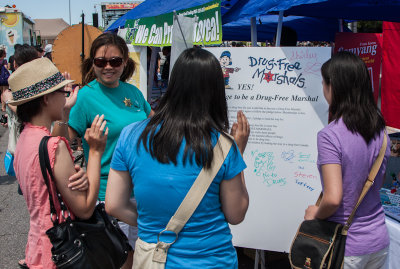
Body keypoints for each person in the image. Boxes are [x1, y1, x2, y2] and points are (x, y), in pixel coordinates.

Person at [105, 48, 250, 268]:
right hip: (211, 260)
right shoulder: (224, 146)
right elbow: (236, 213)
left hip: (154, 258)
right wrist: (237, 151)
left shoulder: (130, 135)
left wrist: (153, 225)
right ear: (215, 91)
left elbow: (114, 205)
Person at [54, 32, 154, 269]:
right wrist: (64, 113)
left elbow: (156, 125)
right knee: (121, 259)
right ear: (92, 64)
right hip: (109, 195)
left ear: (125, 62)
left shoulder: (133, 93)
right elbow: (59, 145)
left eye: (115, 61)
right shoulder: (86, 96)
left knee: (143, 257)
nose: (108, 67)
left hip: (143, 189)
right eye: (100, 62)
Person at [9, 57, 107, 269]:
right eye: (62, 93)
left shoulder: (25, 138)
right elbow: (85, 209)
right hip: (63, 251)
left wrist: (65, 113)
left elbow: (48, 164)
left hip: (38, 246)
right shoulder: (54, 145)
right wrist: (97, 152)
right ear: (46, 99)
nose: (65, 98)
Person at [304, 51, 390, 269]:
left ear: (333, 86)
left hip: (345, 244)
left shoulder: (330, 136)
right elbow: (374, 183)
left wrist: (314, 214)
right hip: (378, 239)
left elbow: (333, 199)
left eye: (324, 83)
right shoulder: (381, 131)